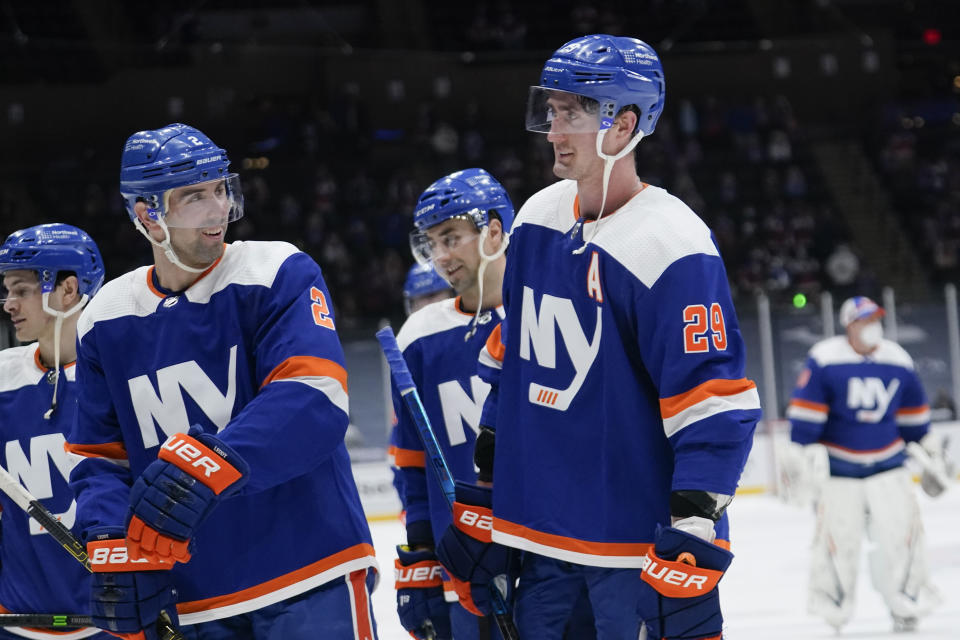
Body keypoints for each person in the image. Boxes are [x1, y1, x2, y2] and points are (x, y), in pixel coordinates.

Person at [435, 35, 761, 640]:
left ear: (623, 123)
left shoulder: (670, 244)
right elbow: (516, 357)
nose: (553, 131)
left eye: (573, 113)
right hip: (540, 539)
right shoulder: (536, 218)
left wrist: (692, 525)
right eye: (551, 111)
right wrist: (488, 485)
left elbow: (712, 400)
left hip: (632, 548)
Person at [65, 123, 378, 640]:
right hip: (193, 599)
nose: (217, 211)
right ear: (148, 215)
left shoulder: (276, 270)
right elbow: (99, 457)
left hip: (309, 569)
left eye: (219, 189)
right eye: (193, 197)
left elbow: (312, 399)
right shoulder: (104, 318)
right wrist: (108, 536)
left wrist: (206, 466)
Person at [390, 168, 512, 640]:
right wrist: (421, 549)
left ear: (494, 229)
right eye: (430, 244)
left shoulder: (547, 307)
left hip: (556, 554)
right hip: (467, 566)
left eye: (451, 238)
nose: (439, 257)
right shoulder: (419, 336)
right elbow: (412, 460)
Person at [787, 295, 944, 632]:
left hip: (889, 465)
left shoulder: (897, 358)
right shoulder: (825, 358)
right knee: (837, 542)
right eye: (864, 320)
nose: (872, 326)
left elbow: (914, 419)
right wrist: (800, 453)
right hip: (840, 470)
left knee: (903, 538)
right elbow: (805, 418)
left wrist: (929, 450)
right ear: (849, 325)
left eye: (875, 319)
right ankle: (834, 610)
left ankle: (907, 605)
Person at [0, 223, 110, 640]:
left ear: (68, 289)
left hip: (113, 625)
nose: (9, 304)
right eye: (7, 290)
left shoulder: (118, 378)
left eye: (22, 290)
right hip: (15, 623)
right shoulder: (3, 377)